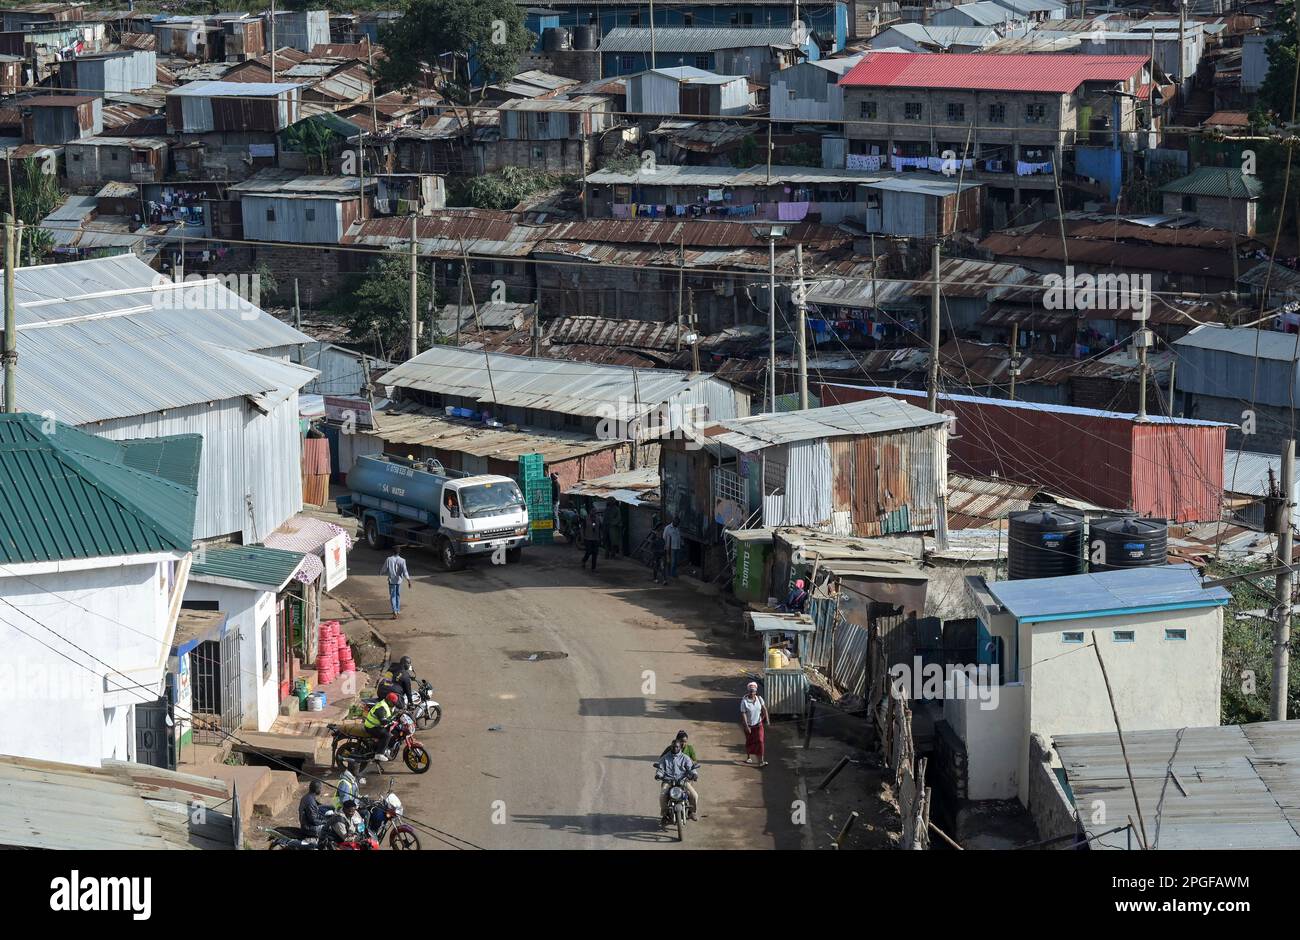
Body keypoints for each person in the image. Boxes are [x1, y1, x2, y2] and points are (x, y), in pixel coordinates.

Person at [655, 738, 700, 823]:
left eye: (677, 747)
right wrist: (658, 775)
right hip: (668, 781)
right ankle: (664, 815)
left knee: (694, 795)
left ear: (680, 748)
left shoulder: (685, 758)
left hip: (683, 781)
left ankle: (692, 812)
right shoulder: (665, 758)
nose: (675, 748)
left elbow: (691, 768)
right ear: (670, 747)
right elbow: (660, 769)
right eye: (673, 747)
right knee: (662, 796)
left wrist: (694, 774)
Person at [740, 681, 770, 767]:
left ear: (756, 691)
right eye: (750, 691)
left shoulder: (759, 699)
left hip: (758, 724)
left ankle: (761, 761)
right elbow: (743, 714)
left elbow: (764, 709)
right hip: (748, 725)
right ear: (748, 691)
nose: (752, 692)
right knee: (750, 741)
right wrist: (746, 726)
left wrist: (767, 720)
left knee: (760, 741)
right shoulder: (744, 701)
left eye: (753, 691)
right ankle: (749, 757)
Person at [364, 691, 400, 761]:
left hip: (376, 725)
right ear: (389, 702)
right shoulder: (382, 707)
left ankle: (386, 747)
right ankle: (379, 754)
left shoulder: (386, 704)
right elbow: (383, 721)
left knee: (393, 731)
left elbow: (390, 714)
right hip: (371, 726)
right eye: (393, 703)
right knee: (387, 735)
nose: (393, 705)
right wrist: (391, 722)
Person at [380, 546, 412, 619]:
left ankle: (394, 611)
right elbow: (405, 571)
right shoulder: (402, 560)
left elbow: (384, 569)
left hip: (391, 581)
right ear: (399, 552)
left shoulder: (389, 559)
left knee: (392, 596)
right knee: (398, 595)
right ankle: (397, 610)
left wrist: (380, 572)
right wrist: (408, 580)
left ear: (392, 551)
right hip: (399, 581)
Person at [581, 505, 602, 570]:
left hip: (596, 538)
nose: (594, 513)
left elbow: (600, 528)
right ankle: (584, 560)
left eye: (595, 512)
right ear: (590, 512)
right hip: (588, 538)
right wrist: (582, 537)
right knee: (589, 551)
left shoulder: (598, 519)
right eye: (592, 511)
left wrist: (601, 536)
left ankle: (593, 567)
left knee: (595, 553)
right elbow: (582, 528)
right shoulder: (586, 518)